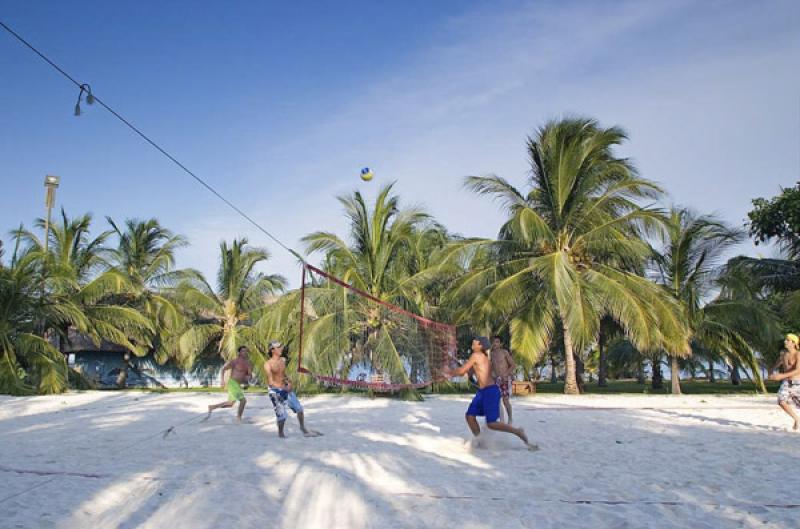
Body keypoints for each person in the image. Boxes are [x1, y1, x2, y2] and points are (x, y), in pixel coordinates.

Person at [445, 336, 534, 449]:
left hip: (490, 391)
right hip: (482, 392)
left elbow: (461, 370)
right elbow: (467, 373)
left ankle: (518, 431)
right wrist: (461, 372)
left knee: (491, 424)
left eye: (475, 342)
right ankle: (480, 440)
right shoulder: (480, 357)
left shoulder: (476, 355)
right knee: (470, 416)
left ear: (480, 345)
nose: (472, 342)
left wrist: (448, 372)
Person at [265, 341, 319, 438]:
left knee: (299, 409)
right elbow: (270, 382)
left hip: (286, 388)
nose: (281, 348)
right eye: (278, 347)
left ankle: (303, 428)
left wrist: (288, 381)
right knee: (282, 416)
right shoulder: (268, 364)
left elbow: (282, 375)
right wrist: (284, 387)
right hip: (275, 391)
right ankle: (281, 434)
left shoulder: (282, 361)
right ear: (272, 350)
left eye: (281, 347)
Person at [205, 345, 252, 423]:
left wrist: (248, 379)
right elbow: (223, 369)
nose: (245, 352)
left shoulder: (248, 363)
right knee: (242, 401)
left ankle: (212, 407)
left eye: (246, 351)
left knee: (231, 404)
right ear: (239, 353)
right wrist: (222, 381)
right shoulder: (235, 361)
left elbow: (250, 375)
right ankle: (238, 418)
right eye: (243, 351)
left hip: (238, 385)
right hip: (232, 383)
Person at [769, 334, 800, 431]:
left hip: (798, 383)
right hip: (786, 383)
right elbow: (776, 364)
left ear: (794, 343)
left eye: (788, 340)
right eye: (785, 340)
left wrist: (781, 376)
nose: (785, 342)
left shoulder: (798, 354)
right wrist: (771, 371)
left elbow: (798, 370)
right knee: (781, 401)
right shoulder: (783, 354)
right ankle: (796, 418)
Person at [490, 336, 516, 424]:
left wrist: (506, 374)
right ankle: (502, 420)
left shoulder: (504, 352)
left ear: (500, 344)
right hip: (496, 380)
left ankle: (510, 418)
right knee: (496, 401)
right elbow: (492, 367)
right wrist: (492, 375)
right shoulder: (492, 354)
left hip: (505, 379)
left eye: (497, 342)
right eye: (493, 342)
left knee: (505, 400)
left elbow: (513, 365)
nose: (495, 344)